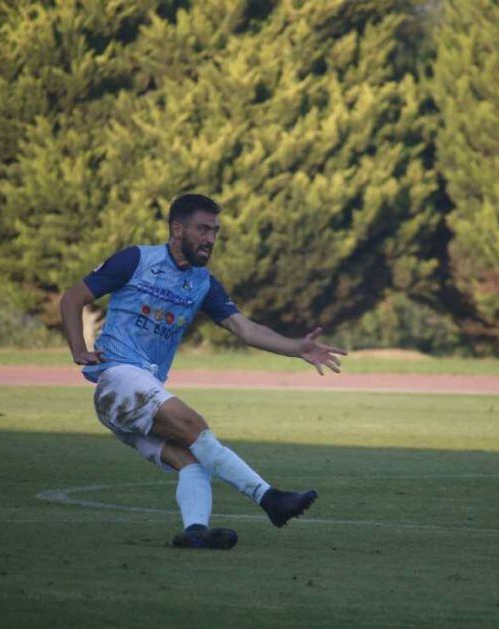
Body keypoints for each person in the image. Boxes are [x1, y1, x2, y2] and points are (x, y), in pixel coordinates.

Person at [59, 193, 347, 550]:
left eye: (215, 231)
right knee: (195, 427)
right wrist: (78, 350)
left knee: (193, 462)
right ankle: (270, 499)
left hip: (134, 395)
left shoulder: (204, 284)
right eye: (203, 229)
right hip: (119, 379)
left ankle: (195, 532)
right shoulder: (136, 259)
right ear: (177, 229)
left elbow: (246, 330)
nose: (210, 239)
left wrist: (296, 347)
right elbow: (72, 298)